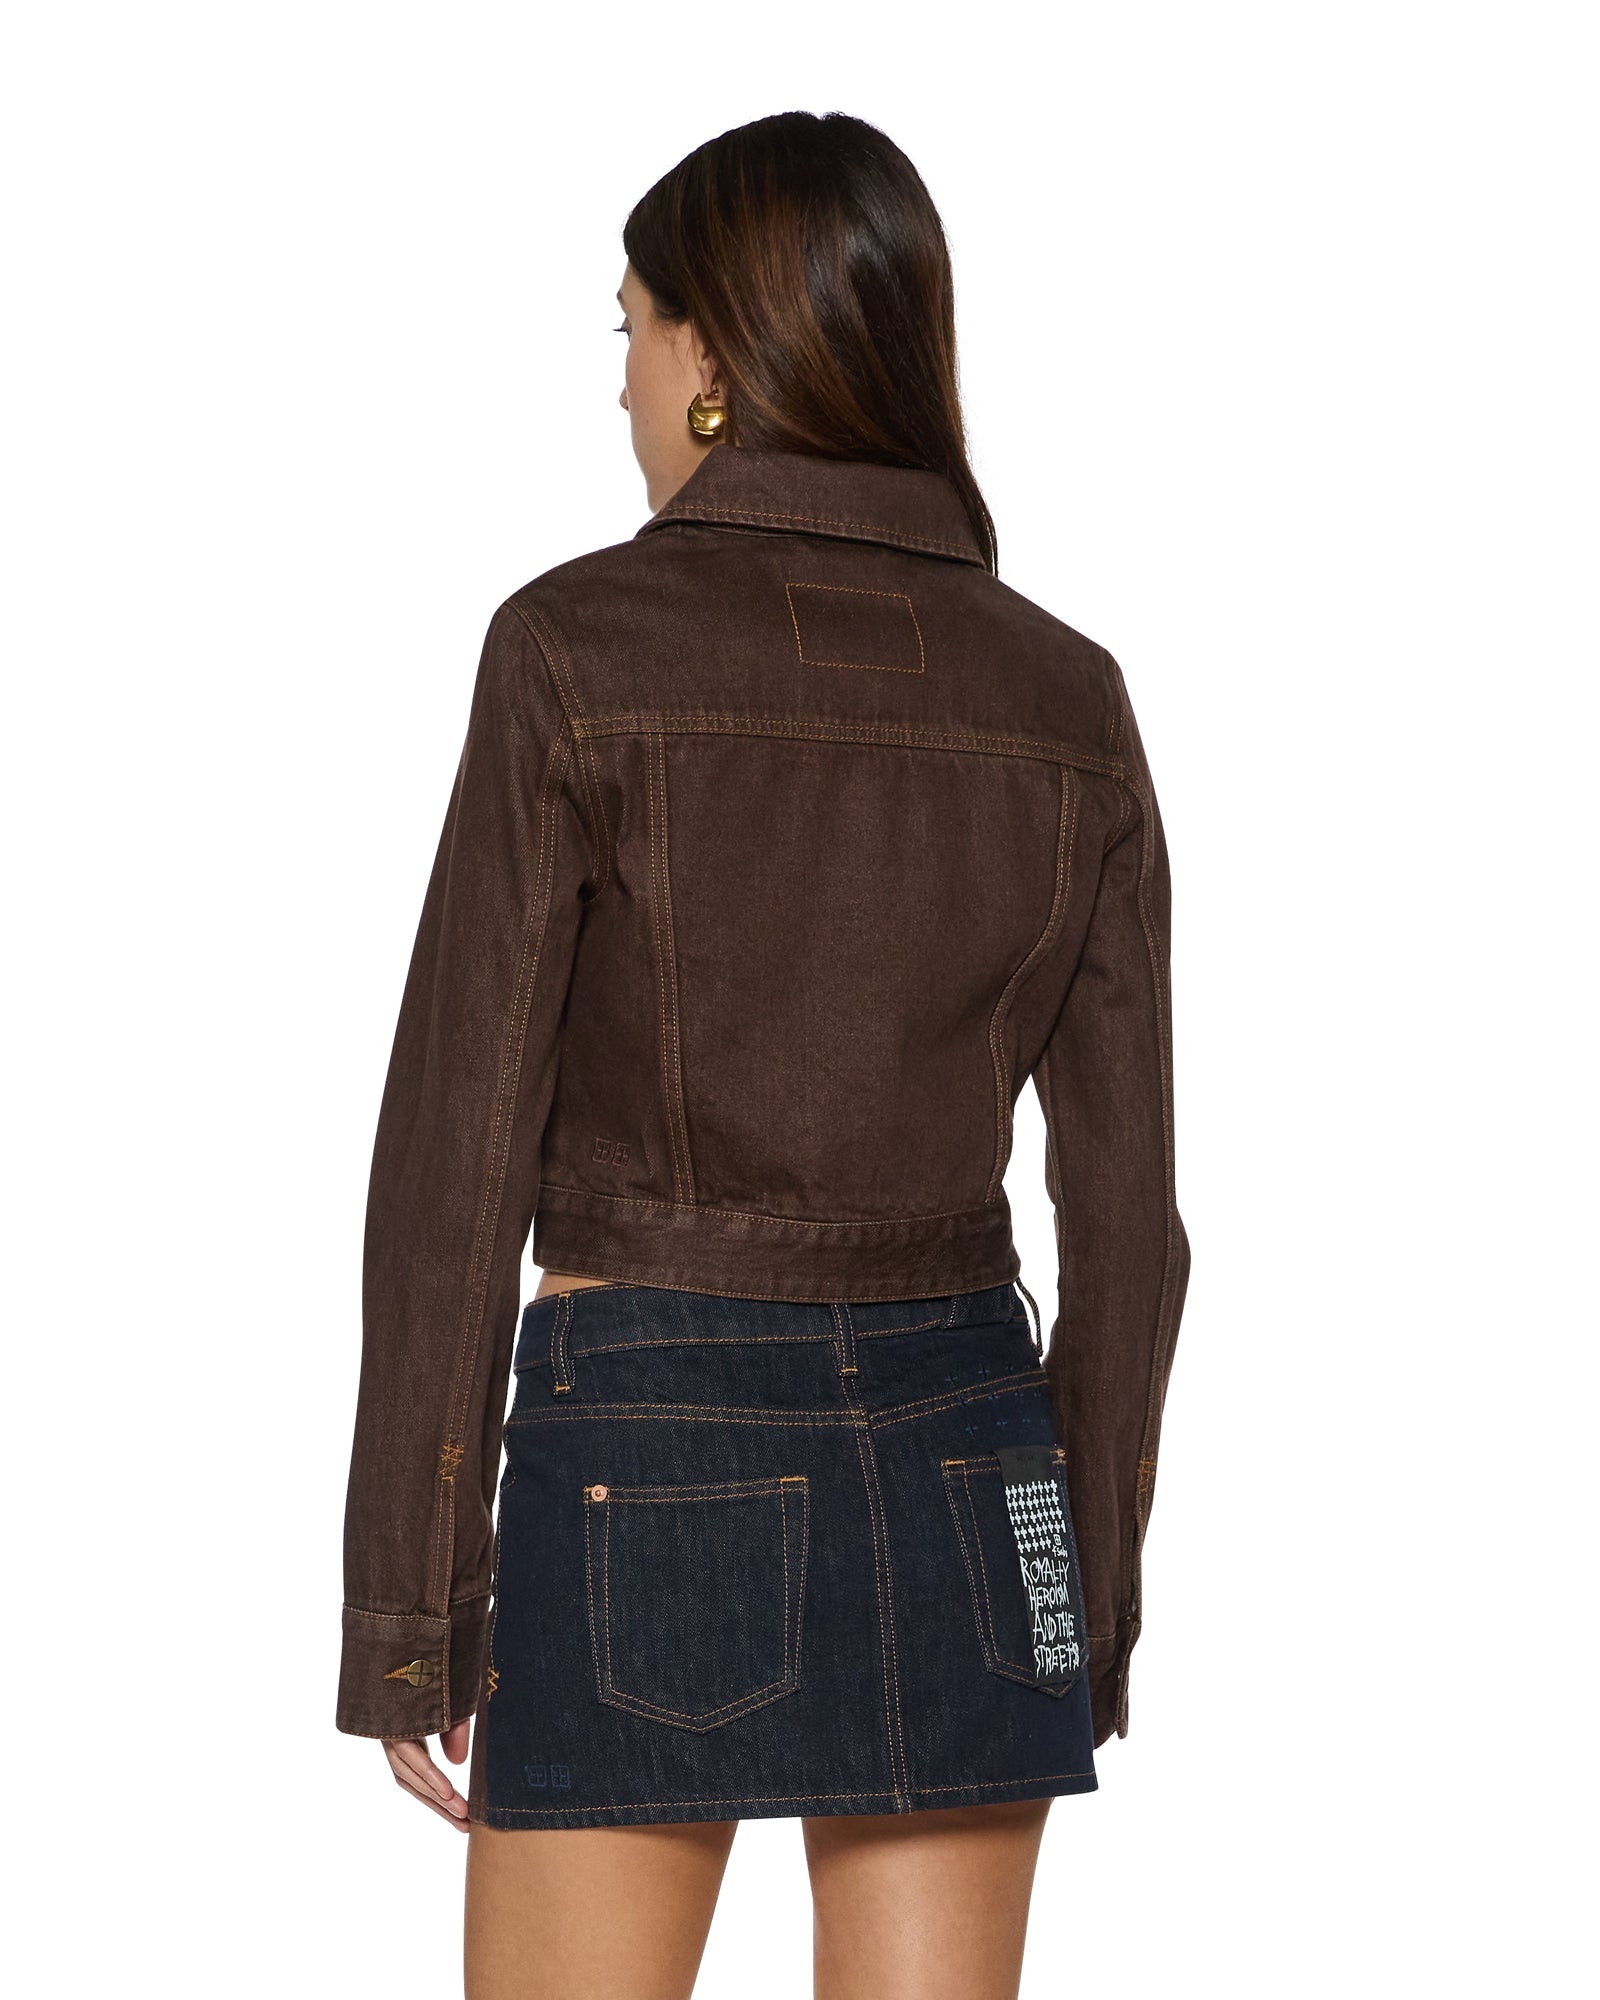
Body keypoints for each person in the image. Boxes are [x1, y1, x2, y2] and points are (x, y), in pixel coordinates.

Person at [337, 109, 1191, 2000]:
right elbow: (1130, 1228)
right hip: (978, 1473)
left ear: (714, 354)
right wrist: (1078, 1600)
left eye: (630, 329)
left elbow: (457, 1166)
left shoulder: (575, 651)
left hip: (650, 1457)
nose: (620, 383)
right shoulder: (1070, 698)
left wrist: (410, 1609)